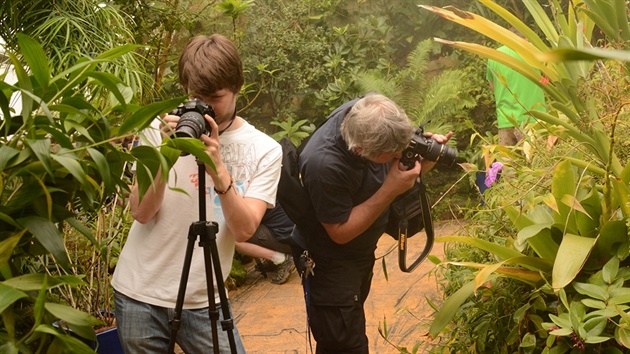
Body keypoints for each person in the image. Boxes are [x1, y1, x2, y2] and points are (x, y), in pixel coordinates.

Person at [111, 34, 282, 353]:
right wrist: (165, 152)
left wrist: (218, 168)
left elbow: (245, 230)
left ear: (237, 88)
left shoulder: (264, 150)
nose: (204, 107)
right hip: (139, 295)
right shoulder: (158, 130)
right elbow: (141, 213)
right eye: (195, 96)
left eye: (214, 97)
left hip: (206, 301)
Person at [291, 93, 452, 353]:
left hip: (360, 254)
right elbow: (340, 233)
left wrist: (420, 162)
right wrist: (390, 189)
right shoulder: (323, 164)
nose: (400, 155)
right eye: (393, 156)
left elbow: (396, 163)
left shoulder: (370, 112)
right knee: (343, 345)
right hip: (331, 266)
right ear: (361, 151)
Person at [486, 29, 547, 147]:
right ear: (526, 39)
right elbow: (547, 79)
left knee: (510, 164)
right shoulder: (535, 51)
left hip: (506, 121)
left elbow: (493, 86)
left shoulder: (494, 56)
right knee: (538, 162)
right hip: (534, 121)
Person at [235, 203, 296, 284]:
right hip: (295, 237)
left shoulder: (254, 194)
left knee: (235, 236)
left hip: (285, 239)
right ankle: (272, 262)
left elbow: (250, 221)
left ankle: (281, 259)